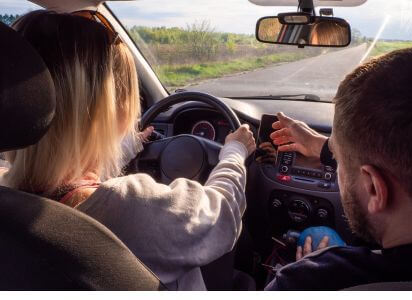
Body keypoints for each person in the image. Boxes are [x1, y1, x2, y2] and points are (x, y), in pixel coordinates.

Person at [0, 10, 255, 290]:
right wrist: (234, 152)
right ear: (107, 108)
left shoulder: (9, 196)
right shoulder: (131, 205)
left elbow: (67, 164)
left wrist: (131, 143)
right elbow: (222, 214)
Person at [266, 45, 412, 290]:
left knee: (317, 232)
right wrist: (324, 147)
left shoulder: (306, 282)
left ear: (375, 189)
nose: (337, 166)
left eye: (338, 160)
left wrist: (313, 268)